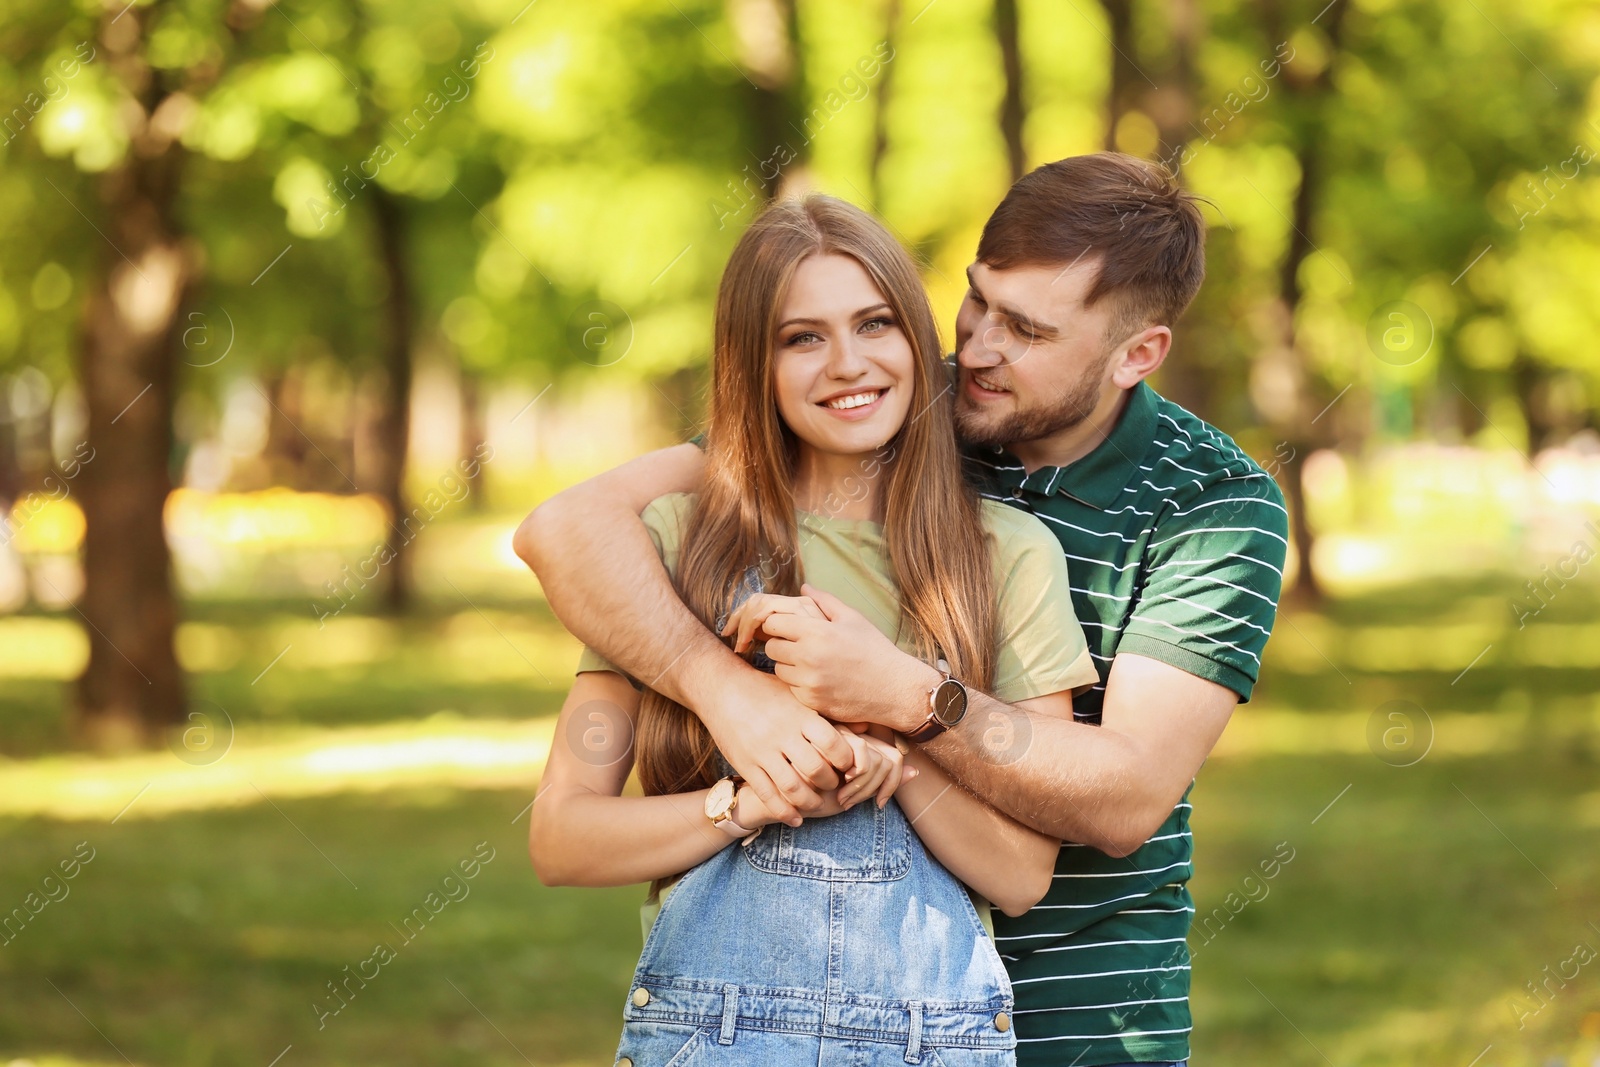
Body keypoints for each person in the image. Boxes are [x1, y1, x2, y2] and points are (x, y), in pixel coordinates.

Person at [518, 152, 1290, 1066]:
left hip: (1081, 1017)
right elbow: (573, 527)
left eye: (1028, 331)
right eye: (977, 303)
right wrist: (735, 698)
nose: (979, 350)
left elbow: (1122, 799)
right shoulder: (887, 401)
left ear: (1138, 353)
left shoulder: (1208, 506)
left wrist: (906, 705)